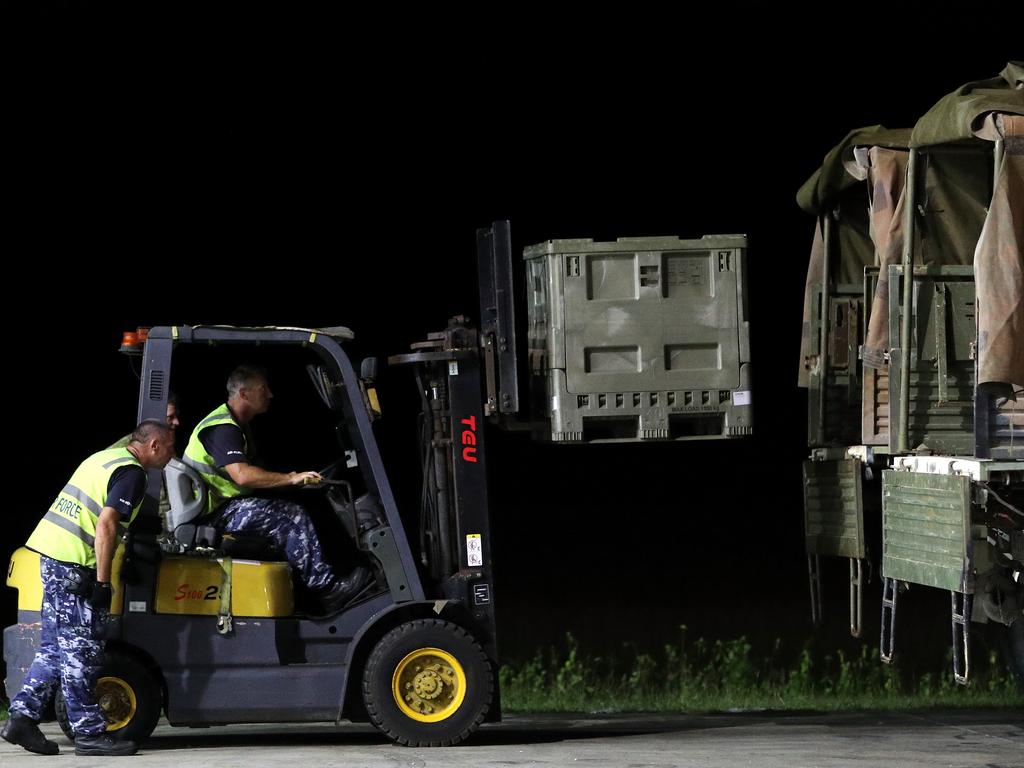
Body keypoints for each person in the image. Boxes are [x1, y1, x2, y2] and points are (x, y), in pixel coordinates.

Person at [2, 421, 175, 757]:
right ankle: (90, 735)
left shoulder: (102, 458)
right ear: (154, 445)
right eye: (170, 446)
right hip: (74, 568)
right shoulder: (132, 473)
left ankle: (22, 717)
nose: (173, 453)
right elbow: (107, 524)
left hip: (50, 557)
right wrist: (102, 581)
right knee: (82, 653)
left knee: (54, 649)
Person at [183, 365, 369, 613]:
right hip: (214, 516)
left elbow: (256, 474)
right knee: (290, 516)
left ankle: (314, 590)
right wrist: (290, 479)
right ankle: (329, 590)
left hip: (225, 507)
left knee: (298, 504)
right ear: (245, 394)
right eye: (263, 389)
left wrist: (294, 481)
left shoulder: (237, 424)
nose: (270, 394)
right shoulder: (223, 428)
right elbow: (243, 476)